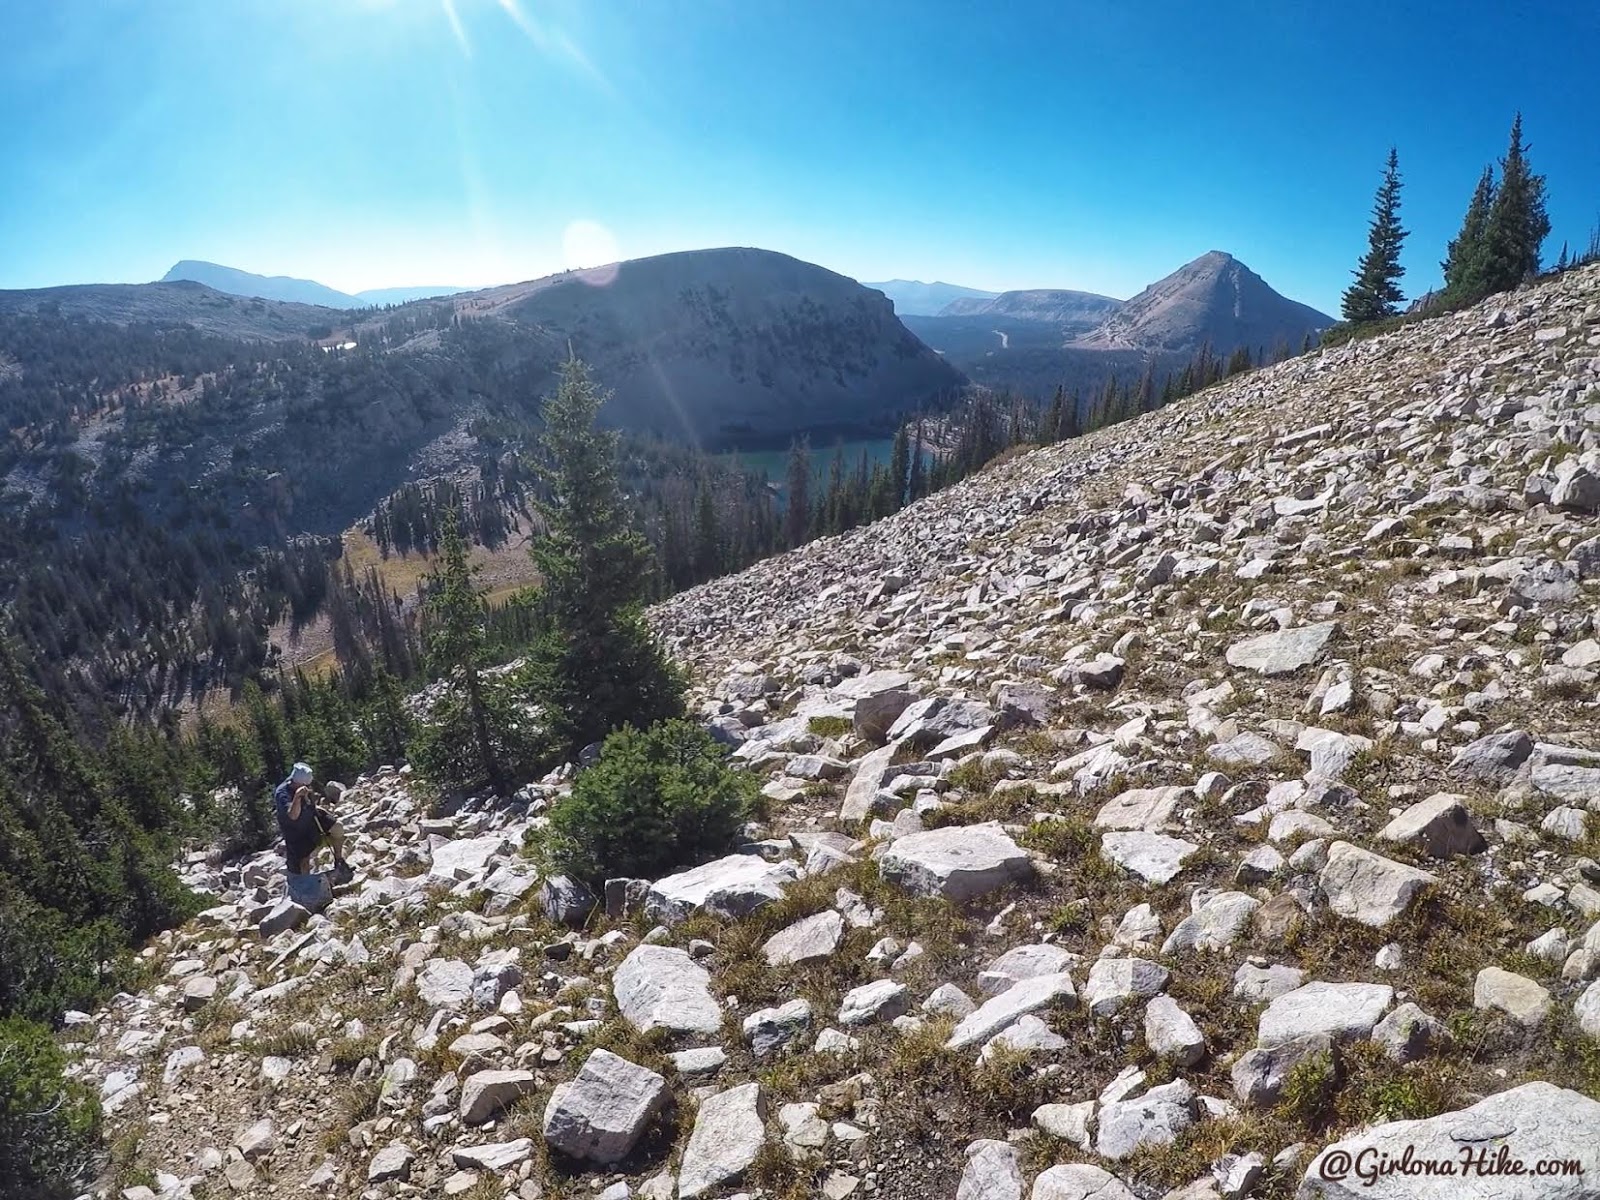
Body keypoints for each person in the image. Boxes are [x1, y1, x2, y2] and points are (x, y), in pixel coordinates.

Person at [273, 762, 352, 881]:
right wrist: (297, 797)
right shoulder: (282, 793)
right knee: (303, 862)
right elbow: (293, 815)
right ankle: (307, 884)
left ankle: (339, 860)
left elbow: (311, 804)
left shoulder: (304, 785)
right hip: (295, 831)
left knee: (337, 827)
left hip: (311, 819)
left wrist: (320, 809)